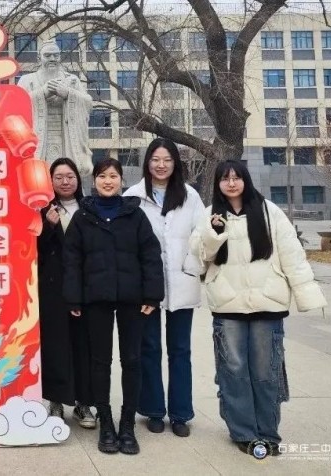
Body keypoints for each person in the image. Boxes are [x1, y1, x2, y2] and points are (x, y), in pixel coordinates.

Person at [190, 160, 326, 456]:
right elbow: (198, 260)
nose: (231, 183)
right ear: (218, 183)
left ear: (246, 180)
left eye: (236, 177)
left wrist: (306, 293)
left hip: (268, 304)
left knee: (266, 371)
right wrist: (213, 234)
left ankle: (268, 432)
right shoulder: (209, 215)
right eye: (225, 178)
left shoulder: (269, 211)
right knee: (233, 370)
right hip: (228, 307)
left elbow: (292, 254)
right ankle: (243, 432)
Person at [63, 158, 164, 455]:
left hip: (132, 299)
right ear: (94, 181)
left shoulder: (135, 214)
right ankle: (106, 423)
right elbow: (72, 260)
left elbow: (150, 256)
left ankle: (127, 425)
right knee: (100, 361)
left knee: (131, 360)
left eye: (113, 176)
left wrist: (152, 296)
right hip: (96, 299)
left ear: (121, 180)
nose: (108, 181)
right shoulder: (83, 216)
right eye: (102, 176)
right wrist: (73, 298)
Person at [123, 138, 205, 438]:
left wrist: (190, 267)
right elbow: (126, 244)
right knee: (149, 347)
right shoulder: (133, 197)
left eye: (167, 160)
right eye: (156, 159)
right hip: (146, 288)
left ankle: (181, 413)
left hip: (182, 283)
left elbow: (201, 237)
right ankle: (153, 409)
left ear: (175, 163)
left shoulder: (190, 196)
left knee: (180, 350)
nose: (161, 165)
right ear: (147, 162)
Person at [37, 158, 95, 429]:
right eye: (58, 177)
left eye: (70, 176)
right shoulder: (42, 210)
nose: (65, 182)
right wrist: (48, 226)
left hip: (85, 288)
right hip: (53, 289)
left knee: (84, 345)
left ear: (78, 179)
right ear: (50, 181)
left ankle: (84, 403)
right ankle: (56, 401)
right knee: (56, 345)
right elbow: (31, 249)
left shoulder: (89, 208)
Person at [17, 40, 93, 177]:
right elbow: (15, 107)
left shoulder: (72, 80)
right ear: (39, 58)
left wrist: (68, 93)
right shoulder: (27, 80)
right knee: (39, 177)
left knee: (65, 176)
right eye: (47, 55)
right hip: (39, 142)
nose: (52, 59)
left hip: (66, 141)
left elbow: (88, 104)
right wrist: (42, 93)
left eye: (56, 55)